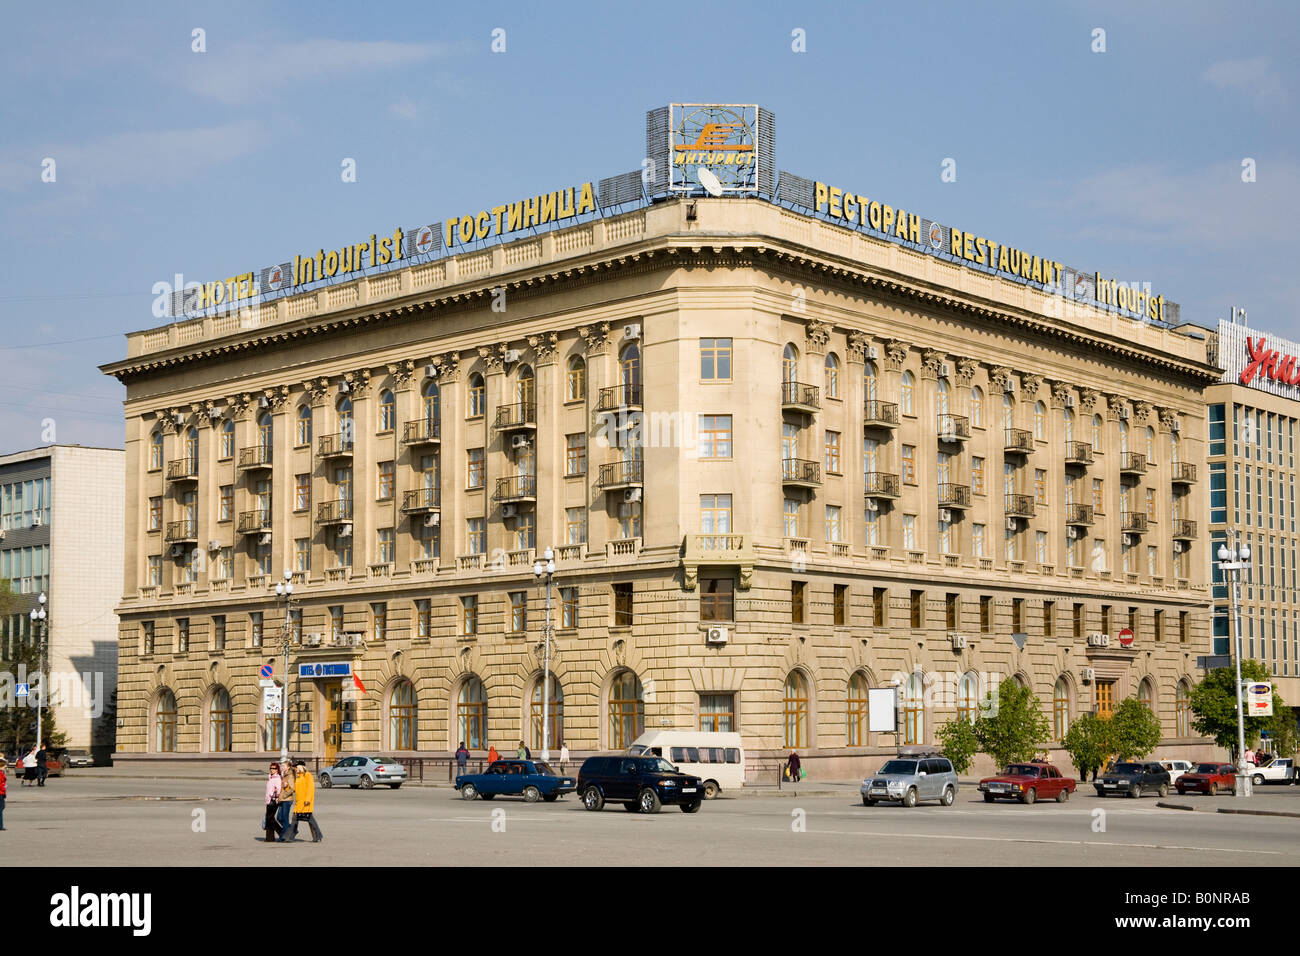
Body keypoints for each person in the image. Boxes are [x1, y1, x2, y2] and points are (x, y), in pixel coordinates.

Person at [291, 760, 323, 843]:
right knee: (296, 818)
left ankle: (317, 835)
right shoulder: (298, 776)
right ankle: (290, 836)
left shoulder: (308, 775)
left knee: (309, 819)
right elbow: (296, 788)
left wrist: (308, 800)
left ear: (301, 767)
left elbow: (310, 789)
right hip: (299, 802)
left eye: (297, 767)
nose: (296, 769)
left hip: (305, 802)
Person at [277, 761, 296, 842]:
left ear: (288, 767)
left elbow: (292, 789)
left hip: (287, 800)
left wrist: (284, 795)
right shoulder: (284, 775)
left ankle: (283, 836)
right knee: (279, 818)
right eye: (281, 766)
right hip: (282, 799)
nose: (282, 767)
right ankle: (292, 829)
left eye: (284, 766)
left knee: (285, 819)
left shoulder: (290, 776)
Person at [264, 763, 282, 843]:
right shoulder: (270, 778)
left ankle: (282, 832)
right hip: (269, 801)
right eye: (271, 768)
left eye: (274, 768)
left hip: (274, 801)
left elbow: (279, 791)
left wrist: (273, 793)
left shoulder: (277, 778)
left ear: (277, 770)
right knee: (268, 819)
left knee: (270, 818)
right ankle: (269, 838)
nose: (272, 769)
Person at [0, 756, 7, 830]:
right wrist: (4, 788)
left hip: (1, 792)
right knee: (1, 808)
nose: (5, 767)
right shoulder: (0, 774)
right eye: (4, 766)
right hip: (0, 793)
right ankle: (0, 826)